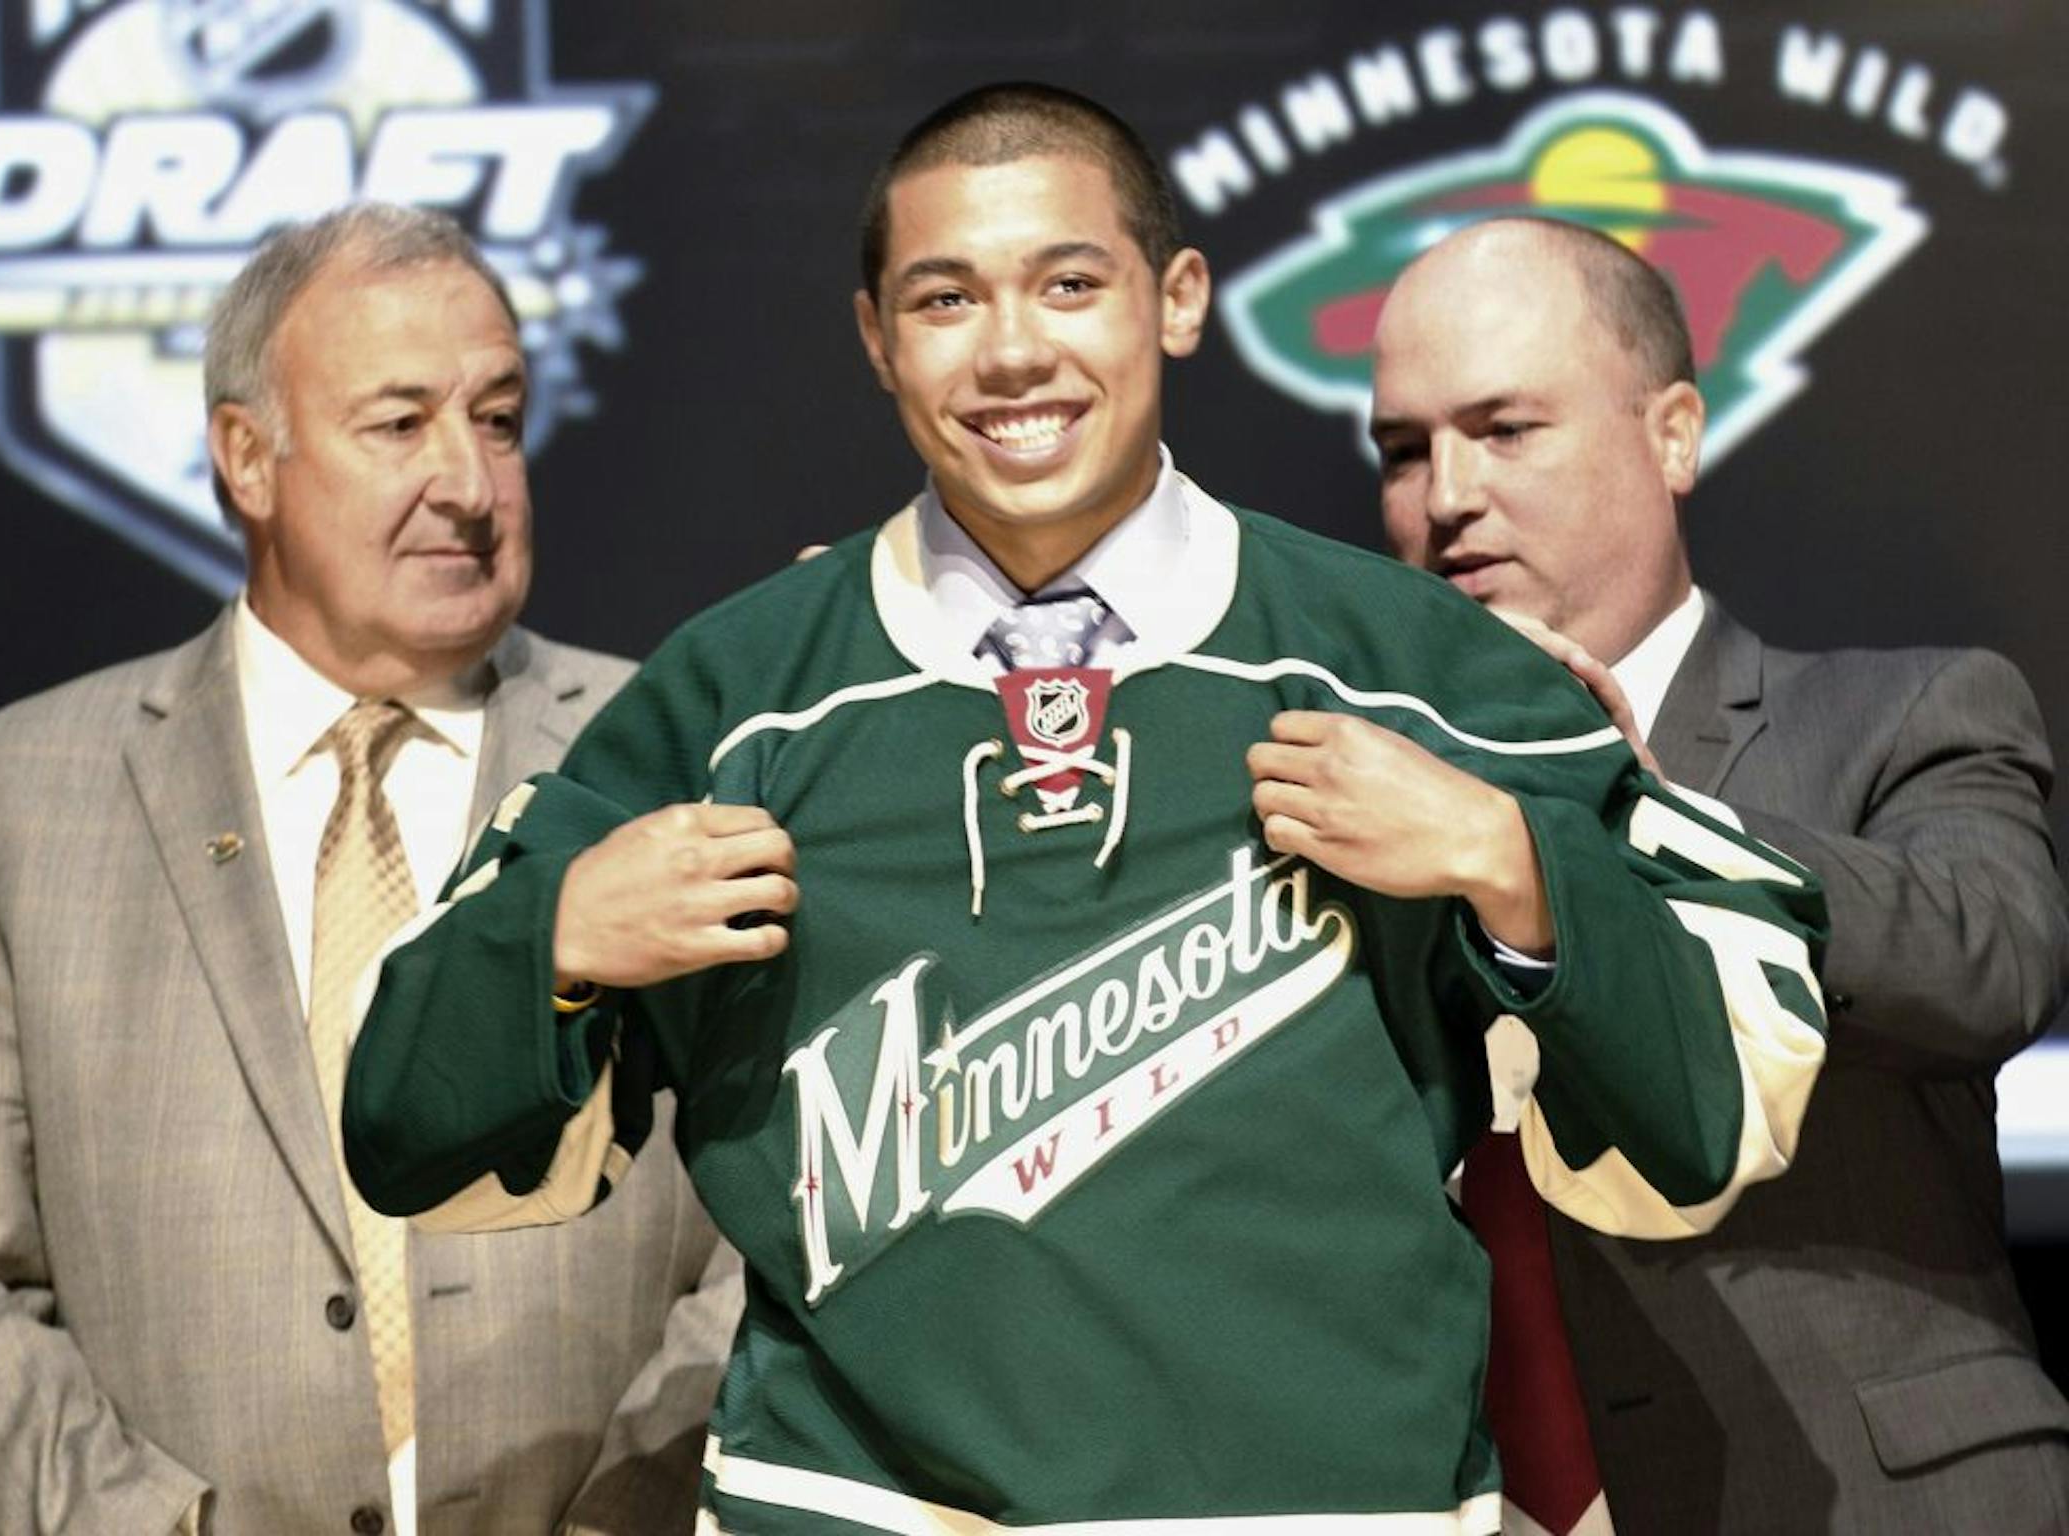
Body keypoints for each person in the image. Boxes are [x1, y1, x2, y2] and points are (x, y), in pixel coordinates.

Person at [344, 86, 1831, 1535]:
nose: (1010, 353)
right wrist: (556, 939)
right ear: (874, 339)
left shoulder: (1408, 663)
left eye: (1068, 284)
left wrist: (1518, 871)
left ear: (1175, 300)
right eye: (943, 301)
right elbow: (405, 1130)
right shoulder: (734, 696)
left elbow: (1722, 1107)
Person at [0, 204, 739, 1536]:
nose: (469, 484)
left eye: (500, 420)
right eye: (400, 424)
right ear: (248, 457)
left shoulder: (680, 761)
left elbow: (780, 1232)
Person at [1372, 215, 2069, 1532]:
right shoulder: (1365, 806)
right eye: (1404, 449)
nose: (1446, 493)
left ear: (1674, 433)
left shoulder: (1907, 714)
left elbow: (1990, 960)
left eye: (1505, 428)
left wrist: (1643, 814)